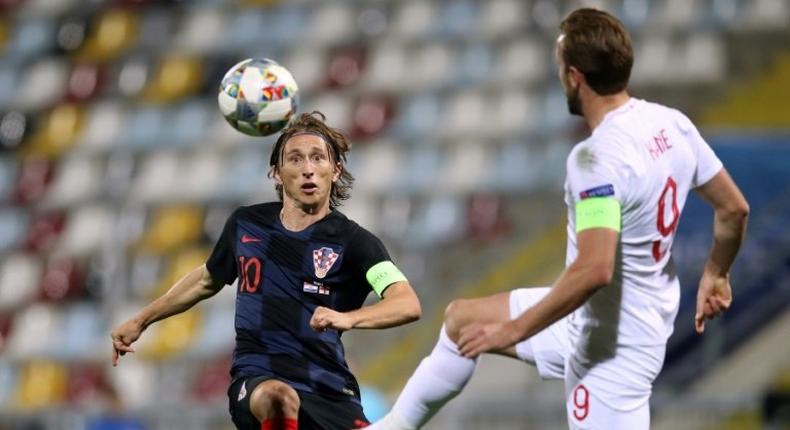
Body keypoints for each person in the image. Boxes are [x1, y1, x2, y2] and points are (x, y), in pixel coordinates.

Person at [366, 8, 749, 430]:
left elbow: (594, 269)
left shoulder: (596, 158)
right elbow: (733, 209)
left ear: (574, 77)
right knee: (463, 321)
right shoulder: (671, 123)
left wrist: (515, 329)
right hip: (597, 318)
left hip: (613, 353)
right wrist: (717, 272)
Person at [110, 111, 422, 430]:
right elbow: (206, 280)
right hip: (258, 377)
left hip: (330, 389)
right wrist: (141, 319)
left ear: (335, 170)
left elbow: (407, 303)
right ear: (277, 172)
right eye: (295, 159)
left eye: (318, 158)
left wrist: (348, 318)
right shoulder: (246, 224)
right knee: (278, 396)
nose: (308, 169)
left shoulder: (356, 242)